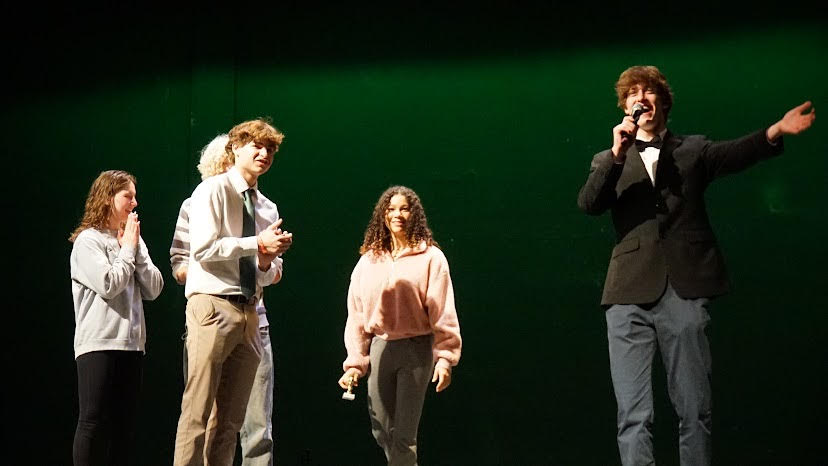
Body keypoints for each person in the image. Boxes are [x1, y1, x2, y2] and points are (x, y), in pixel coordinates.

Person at [577, 65, 815, 465]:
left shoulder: (693, 150)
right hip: (627, 294)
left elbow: (736, 152)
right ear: (625, 106)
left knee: (694, 408)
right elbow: (589, 204)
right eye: (633, 93)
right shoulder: (608, 158)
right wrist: (618, 154)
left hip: (685, 287)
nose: (641, 98)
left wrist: (775, 131)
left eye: (649, 91)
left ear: (662, 101)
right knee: (633, 415)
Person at [173, 119, 293, 466]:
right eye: (255, 145)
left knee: (231, 421)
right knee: (198, 413)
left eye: (270, 149)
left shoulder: (267, 208)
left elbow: (272, 275)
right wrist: (256, 243)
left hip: (250, 312)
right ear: (235, 148)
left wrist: (268, 260)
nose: (263, 153)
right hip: (212, 305)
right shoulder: (211, 191)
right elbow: (203, 250)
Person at [338, 186, 462, 465]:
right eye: (391, 209)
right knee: (381, 427)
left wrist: (444, 359)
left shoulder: (431, 258)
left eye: (404, 208)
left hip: (417, 349)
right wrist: (355, 363)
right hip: (382, 346)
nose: (398, 215)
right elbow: (356, 314)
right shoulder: (369, 260)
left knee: (405, 434)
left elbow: (443, 310)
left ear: (414, 214)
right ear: (382, 215)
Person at [69, 170, 164, 466]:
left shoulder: (131, 239)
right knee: (93, 421)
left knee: (125, 427)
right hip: (98, 343)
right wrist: (127, 250)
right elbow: (109, 285)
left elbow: (154, 288)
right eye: (128, 196)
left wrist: (136, 249)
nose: (135, 203)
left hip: (132, 345)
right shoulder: (88, 241)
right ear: (108, 198)